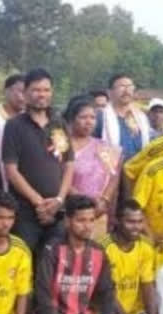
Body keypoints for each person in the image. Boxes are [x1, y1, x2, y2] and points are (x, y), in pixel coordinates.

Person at [34, 195, 122, 314]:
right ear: (67, 221)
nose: (88, 226)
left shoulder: (98, 252)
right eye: (81, 220)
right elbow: (42, 295)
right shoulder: (52, 250)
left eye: (91, 220)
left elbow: (107, 294)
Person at [3, 68, 73, 251]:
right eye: (36, 90)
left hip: (57, 211)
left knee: (53, 265)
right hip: (26, 212)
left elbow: (69, 164)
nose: (41, 95)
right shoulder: (14, 126)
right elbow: (11, 170)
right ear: (25, 93)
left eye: (46, 90)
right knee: (25, 262)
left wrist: (58, 200)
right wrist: (40, 203)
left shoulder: (59, 124)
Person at [100, 199, 159, 314]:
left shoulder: (145, 246)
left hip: (137, 312)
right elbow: (108, 294)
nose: (136, 227)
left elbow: (148, 286)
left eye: (140, 222)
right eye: (131, 222)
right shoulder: (103, 248)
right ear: (117, 221)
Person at [64, 95, 121, 238]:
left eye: (92, 118)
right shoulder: (62, 145)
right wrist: (84, 200)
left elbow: (114, 176)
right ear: (72, 119)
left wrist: (104, 201)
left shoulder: (103, 147)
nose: (88, 122)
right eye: (83, 117)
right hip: (71, 211)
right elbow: (58, 176)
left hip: (98, 212)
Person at [95, 73, 151, 162]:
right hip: (109, 170)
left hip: (137, 171)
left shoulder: (141, 118)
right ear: (110, 92)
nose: (126, 91)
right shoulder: (101, 118)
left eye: (129, 87)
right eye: (121, 87)